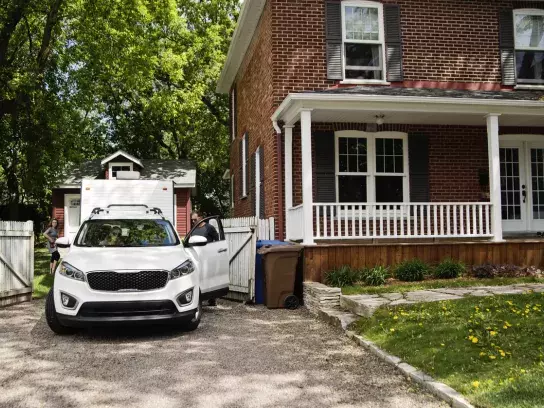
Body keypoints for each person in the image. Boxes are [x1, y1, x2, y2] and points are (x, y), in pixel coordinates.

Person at [190, 211, 219, 306]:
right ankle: (199, 299)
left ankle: (212, 298)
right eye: (192, 220)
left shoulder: (209, 228)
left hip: (208, 257)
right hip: (197, 257)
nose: (193, 221)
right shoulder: (193, 229)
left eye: (195, 219)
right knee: (198, 278)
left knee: (209, 278)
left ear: (200, 217)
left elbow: (217, 240)